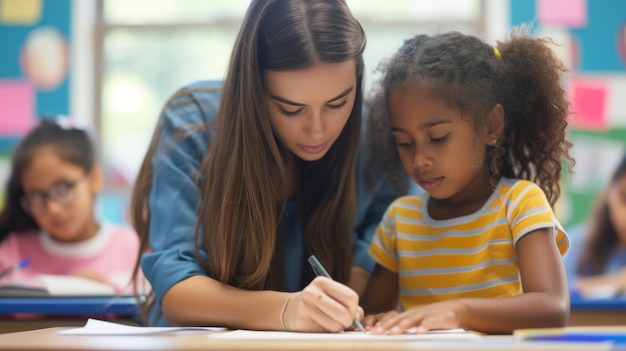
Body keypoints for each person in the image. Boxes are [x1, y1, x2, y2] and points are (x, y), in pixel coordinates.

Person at [131, 0, 408, 331]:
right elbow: (177, 290)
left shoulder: (372, 132)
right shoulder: (194, 122)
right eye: (291, 109)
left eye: (338, 103)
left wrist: (352, 289)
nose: (317, 131)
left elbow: (384, 244)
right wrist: (287, 309)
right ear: (254, 89)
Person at [360, 29, 575, 334]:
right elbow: (371, 317)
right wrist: (368, 320)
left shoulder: (520, 205)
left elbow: (552, 308)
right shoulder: (399, 221)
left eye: (438, 138)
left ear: (491, 125)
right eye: (404, 143)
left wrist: (458, 311)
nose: (419, 159)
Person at [0, 118, 140, 294]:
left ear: (95, 178)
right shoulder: (13, 252)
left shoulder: (134, 249)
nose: (53, 208)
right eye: (37, 196)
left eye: (63, 188)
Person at [564, 152, 626, 298]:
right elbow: (554, 294)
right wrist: (616, 282)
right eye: (624, 198)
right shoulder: (576, 243)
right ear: (609, 192)